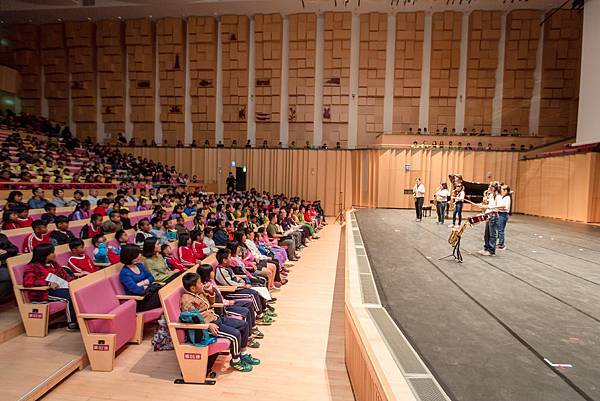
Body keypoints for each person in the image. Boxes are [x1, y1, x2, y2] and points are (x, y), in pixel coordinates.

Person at [180, 272, 260, 372]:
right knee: (235, 334)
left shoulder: (199, 293)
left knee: (243, 325)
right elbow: (191, 318)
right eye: (200, 283)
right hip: (207, 327)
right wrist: (208, 325)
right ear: (192, 288)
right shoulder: (186, 300)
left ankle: (243, 354)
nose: (202, 284)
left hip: (216, 319)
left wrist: (211, 292)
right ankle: (235, 360)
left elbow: (211, 303)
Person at [22, 244, 77, 330]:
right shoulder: (32, 266)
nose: (54, 254)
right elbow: (28, 282)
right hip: (42, 293)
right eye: (51, 252)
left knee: (76, 292)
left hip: (57, 289)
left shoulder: (54, 264)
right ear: (43, 255)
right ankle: (72, 324)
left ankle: (79, 320)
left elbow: (64, 275)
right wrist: (47, 283)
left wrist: (73, 281)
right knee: (69, 297)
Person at [118, 244, 163, 312]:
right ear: (131, 255)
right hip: (139, 302)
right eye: (138, 253)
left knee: (165, 291)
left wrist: (141, 283)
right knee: (162, 294)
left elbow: (151, 278)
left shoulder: (140, 265)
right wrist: (146, 283)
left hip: (148, 296)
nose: (140, 255)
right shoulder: (125, 273)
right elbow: (137, 290)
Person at [478, 182, 502, 256]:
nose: (488, 188)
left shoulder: (498, 197)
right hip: (489, 215)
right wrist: (483, 206)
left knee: (492, 234)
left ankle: (491, 250)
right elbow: (490, 205)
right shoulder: (491, 195)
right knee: (487, 234)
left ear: (493, 188)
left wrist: (489, 207)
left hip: (494, 216)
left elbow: (499, 206)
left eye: (490, 187)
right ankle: (486, 248)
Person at [496, 185, 511, 250]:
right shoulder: (502, 197)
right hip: (500, 214)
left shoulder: (507, 198)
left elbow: (506, 207)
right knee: (499, 229)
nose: (500, 190)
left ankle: (501, 245)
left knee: (501, 230)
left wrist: (497, 207)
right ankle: (500, 243)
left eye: (501, 189)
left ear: (505, 191)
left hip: (503, 214)